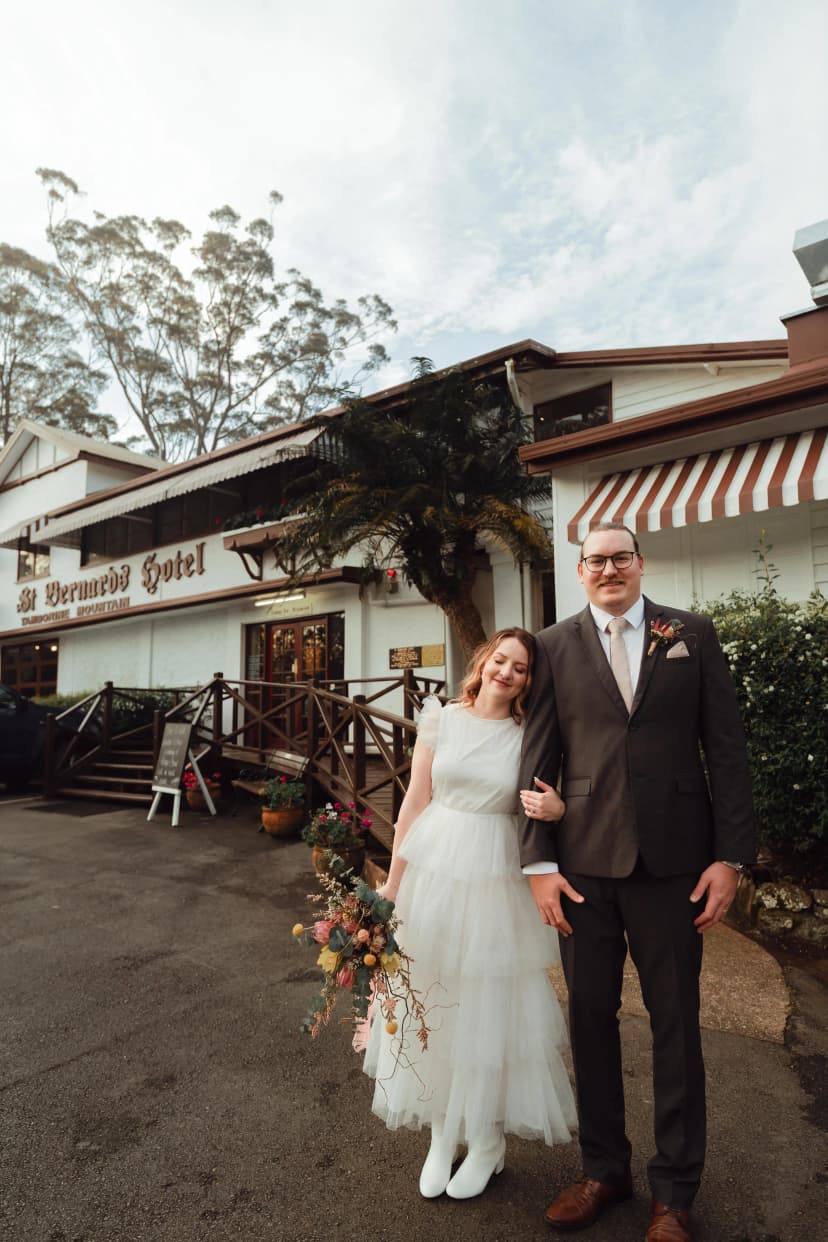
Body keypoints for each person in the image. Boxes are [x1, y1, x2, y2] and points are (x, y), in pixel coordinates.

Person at [517, 522, 755, 1242]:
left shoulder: (692, 634)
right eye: (596, 560)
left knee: (677, 1025)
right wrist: (539, 866)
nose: (609, 569)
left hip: (675, 866)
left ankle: (674, 1194)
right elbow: (537, 762)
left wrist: (730, 858)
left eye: (621, 557)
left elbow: (726, 748)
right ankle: (603, 1171)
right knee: (589, 1021)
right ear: (580, 571)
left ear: (640, 564)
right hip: (583, 869)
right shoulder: (552, 645)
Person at [362, 627, 576, 1200]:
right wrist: (393, 887)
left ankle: (486, 1140)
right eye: (500, 660)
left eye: (520, 668)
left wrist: (558, 809)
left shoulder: (530, 732)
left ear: (529, 682)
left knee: (488, 1011)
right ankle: (442, 1134)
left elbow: (550, 799)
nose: (506, 672)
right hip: (433, 875)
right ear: (484, 662)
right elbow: (414, 803)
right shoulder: (442, 719)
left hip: (494, 880)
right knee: (436, 1002)